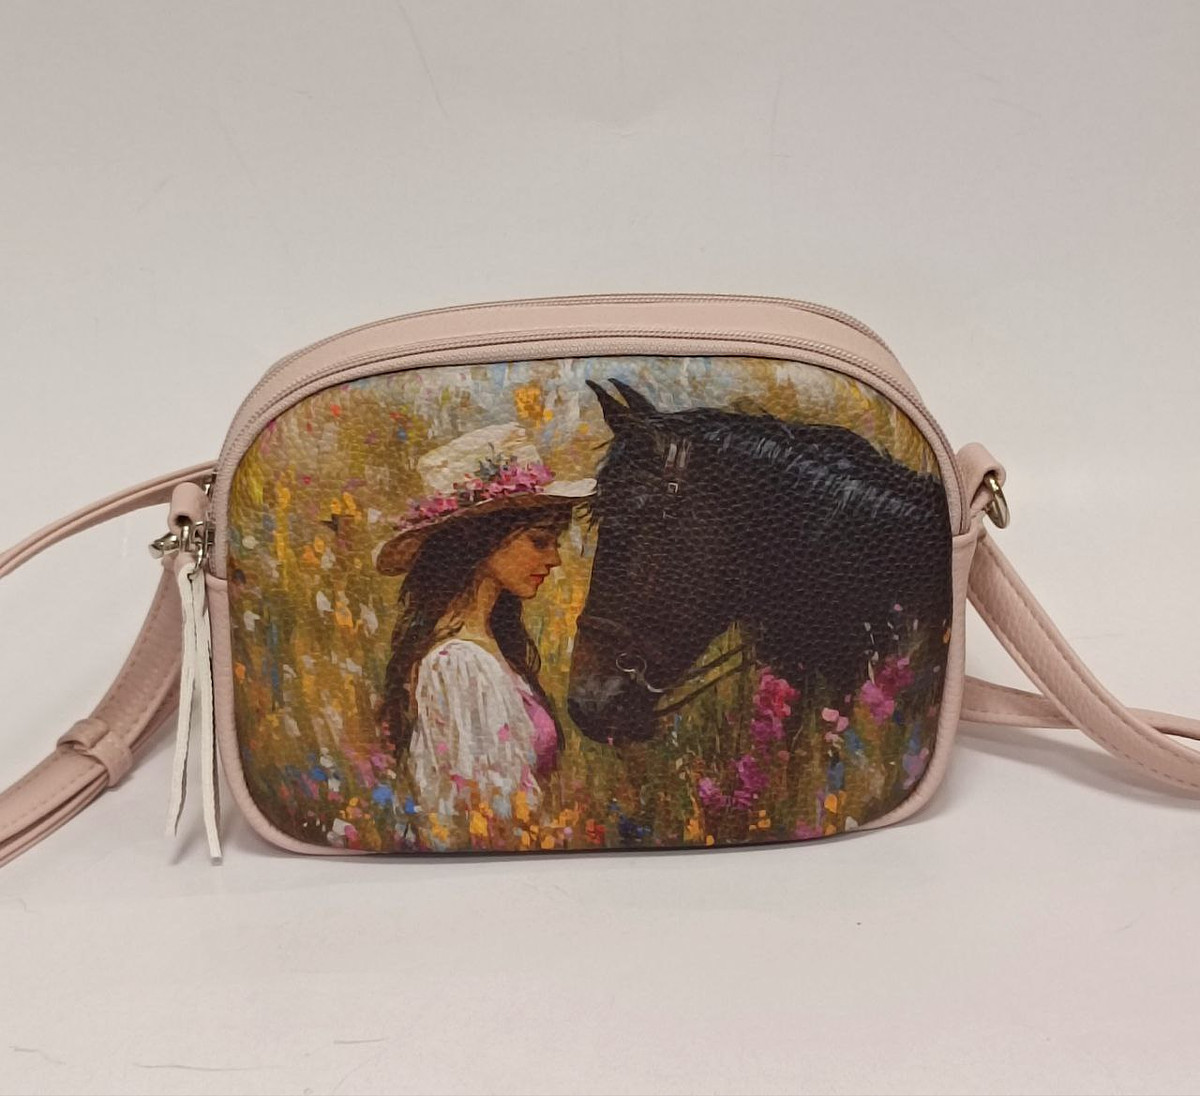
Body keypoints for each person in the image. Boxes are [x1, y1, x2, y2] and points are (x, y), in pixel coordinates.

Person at [375, 422, 594, 849]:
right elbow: (488, 820)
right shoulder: (460, 664)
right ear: (482, 542)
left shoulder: (489, 649)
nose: (554, 559)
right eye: (539, 541)